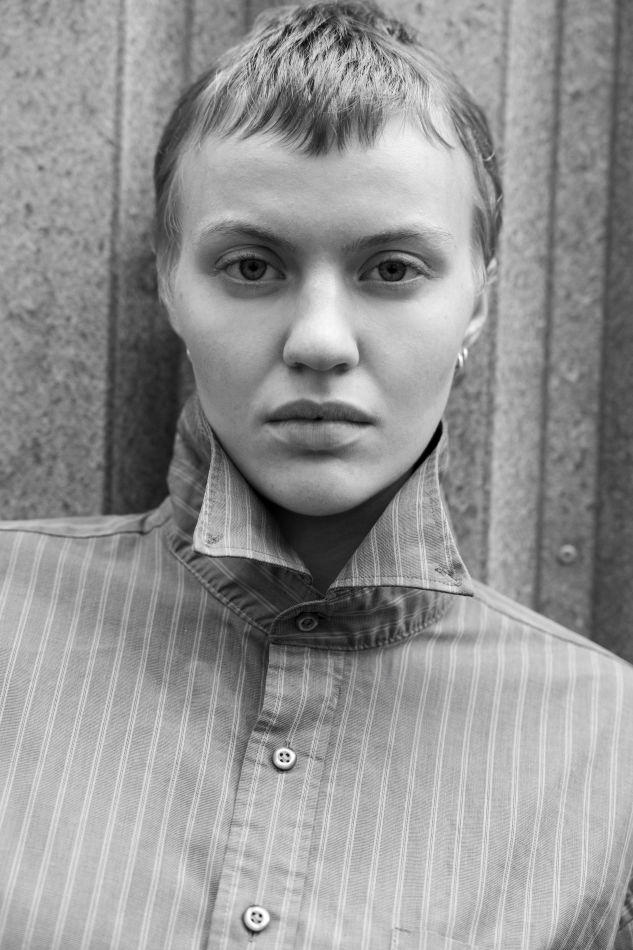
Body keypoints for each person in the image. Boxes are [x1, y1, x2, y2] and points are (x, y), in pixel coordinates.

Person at [0, 2, 632, 947]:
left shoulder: (608, 745)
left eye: (392, 268)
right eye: (252, 267)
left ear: (478, 300)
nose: (321, 341)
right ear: (169, 283)